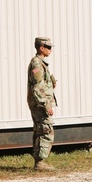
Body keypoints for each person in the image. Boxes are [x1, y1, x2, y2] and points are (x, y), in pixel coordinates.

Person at [27, 37, 57, 171]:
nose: (50, 50)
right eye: (48, 47)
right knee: (46, 130)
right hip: (40, 104)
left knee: (40, 130)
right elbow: (37, 88)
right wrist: (46, 104)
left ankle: (39, 161)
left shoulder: (41, 63)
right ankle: (40, 162)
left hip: (39, 102)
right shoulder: (37, 64)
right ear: (41, 48)